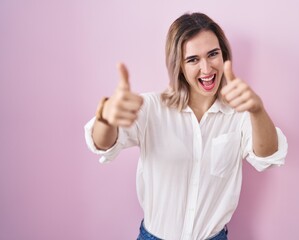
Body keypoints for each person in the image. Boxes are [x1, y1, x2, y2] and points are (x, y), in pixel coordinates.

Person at [84, 12, 288, 240]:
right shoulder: (152, 108)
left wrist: (257, 110)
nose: (207, 68)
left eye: (213, 54)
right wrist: (105, 117)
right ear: (178, 65)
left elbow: (268, 157)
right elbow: (102, 144)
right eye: (193, 59)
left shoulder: (239, 114)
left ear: (224, 56)